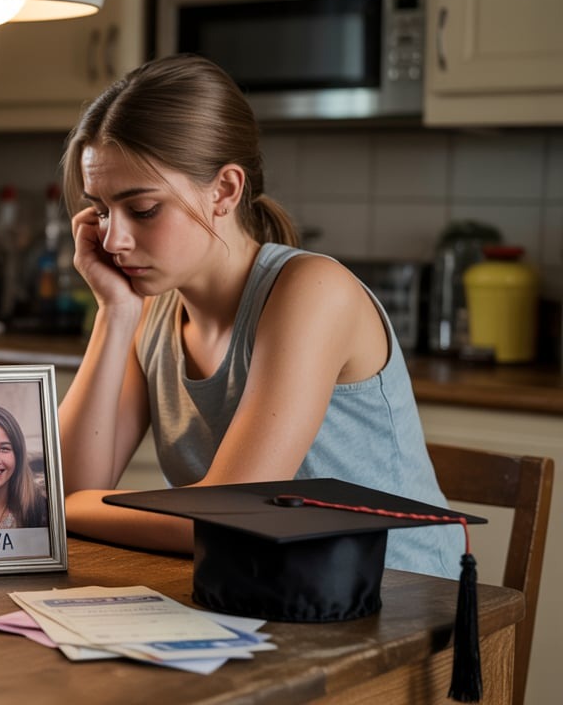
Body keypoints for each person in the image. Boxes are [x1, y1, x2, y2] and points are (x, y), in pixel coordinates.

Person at [56, 54, 460, 579]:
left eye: (144, 209)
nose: (113, 239)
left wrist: (70, 505)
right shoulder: (151, 309)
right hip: (264, 596)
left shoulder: (312, 290)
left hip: (400, 608)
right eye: (103, 210)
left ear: (225, 189)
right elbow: (59, 490)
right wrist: (114, 311)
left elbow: (224, 519)